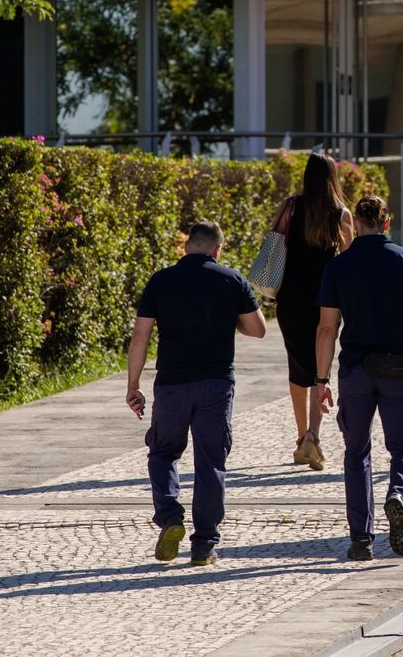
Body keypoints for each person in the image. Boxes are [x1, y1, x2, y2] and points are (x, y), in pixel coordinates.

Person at [313, 195, 403, 562]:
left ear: (356, 223)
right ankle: (398, 495)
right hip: (399, 370)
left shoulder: (338, 267)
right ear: (387, 222)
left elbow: (326, 329)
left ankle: (361, 540)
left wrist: (320, 378)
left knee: (356, 453)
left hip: (356, 372)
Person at [127, 221, 265, 567]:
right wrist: (226, 316)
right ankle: (204, 545)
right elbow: (258, 329)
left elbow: (140, 336)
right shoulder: (232, 280)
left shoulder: (161, 280)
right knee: (210, 462)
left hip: (172, 383)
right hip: (216, 384)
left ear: (186, 246)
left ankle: (171, 517)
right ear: (217, 249)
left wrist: (133, 386)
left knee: (163, 452)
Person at [272, 152, 354, 471]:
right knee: (321, 367)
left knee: (297, 368)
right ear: (333, 177)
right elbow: (348, 261)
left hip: (290, 298)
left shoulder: (292, 206)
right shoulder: (341, 214)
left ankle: (299, 436)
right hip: (326, 301)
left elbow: (275, 242)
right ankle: (313, 437)